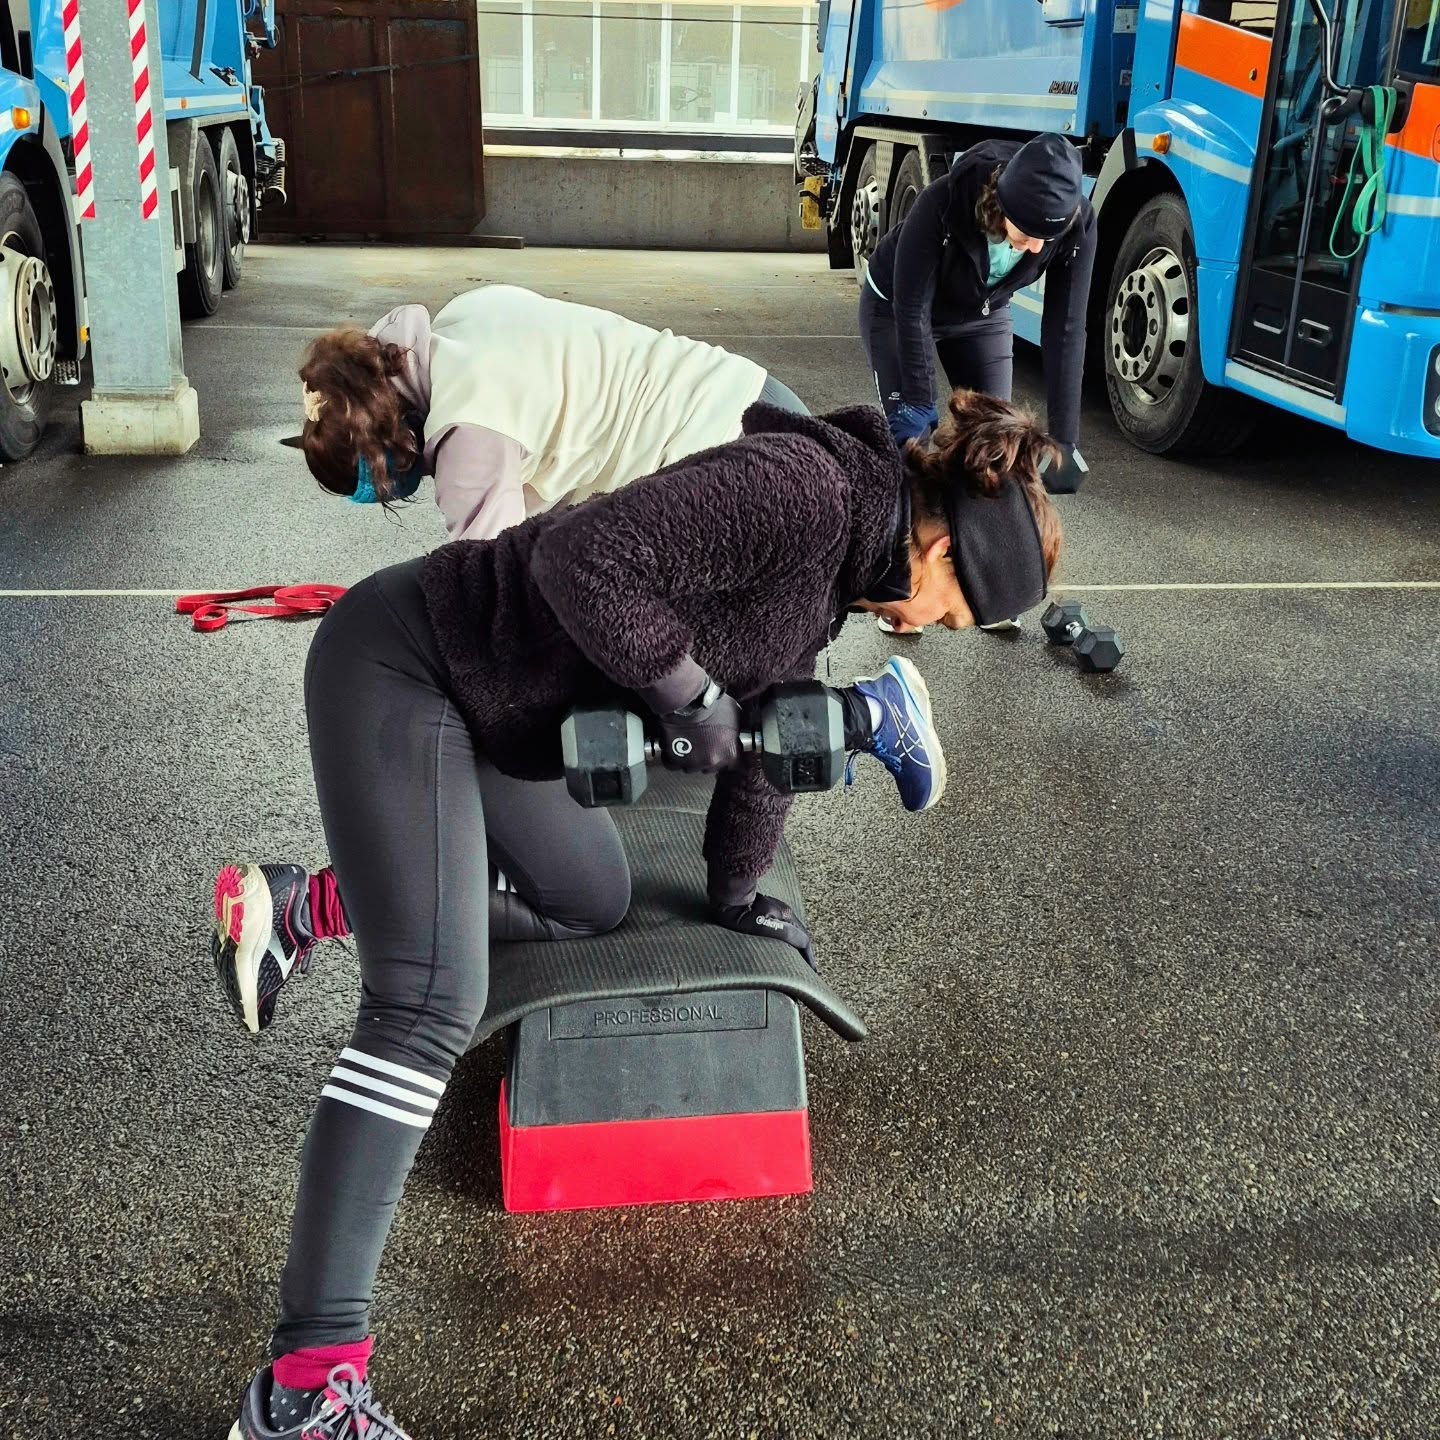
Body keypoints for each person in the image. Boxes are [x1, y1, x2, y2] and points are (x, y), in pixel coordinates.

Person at [222, 387, 1063, 1438]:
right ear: (943, 548)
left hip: (498, 722)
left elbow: (768, 718)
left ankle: (317, 903)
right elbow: (581, 559)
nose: (936, 624)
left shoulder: (832, 577)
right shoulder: (802, 494)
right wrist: (687, 697)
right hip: (412, 666)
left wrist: (739, 895)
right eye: (954, 607)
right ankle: (300, 1392)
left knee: (591, 897)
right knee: (430, 1001)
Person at [297, 283, 809, 542]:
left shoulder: (469, 434)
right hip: (758, 394)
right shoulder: (463, 314)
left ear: (394, 443)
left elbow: (491, 586)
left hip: (725, 464)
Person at [860, 133, 1097, 498]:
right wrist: (920, 400)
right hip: (895, 308)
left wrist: (1064, 439)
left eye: (1046, 240)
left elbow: (1066, 328)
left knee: (994, 447)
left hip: (980, 315)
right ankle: (900, 541)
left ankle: (969, 541)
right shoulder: (941, 203)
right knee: (910, 444)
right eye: (1029, 234)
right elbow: (912, 308)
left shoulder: (1075, 224)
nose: (1036, 248)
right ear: (999, 207)